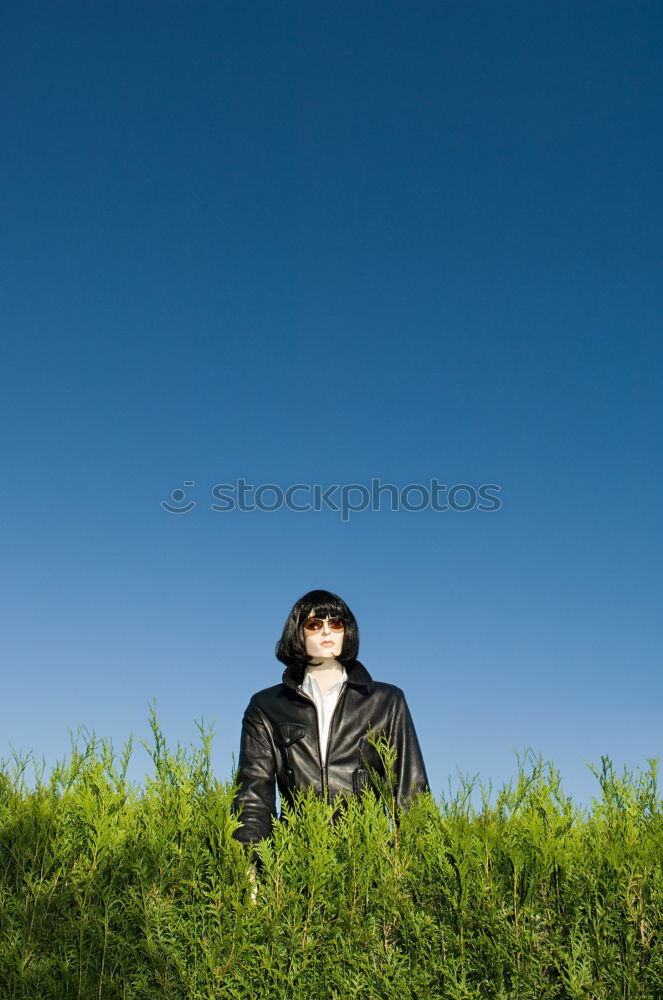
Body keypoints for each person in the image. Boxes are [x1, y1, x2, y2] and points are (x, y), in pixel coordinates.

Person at [232, 589, 428, 859]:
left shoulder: (386, 701)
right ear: (297, 633)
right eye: (314, 624)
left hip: (366, 865)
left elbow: (410, 791)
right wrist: (250, 866)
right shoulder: (267, 706)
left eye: (336, 624)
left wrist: (418, 868)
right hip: (294, 865)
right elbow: (253, 796)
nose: (327, 632)